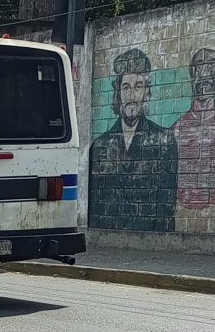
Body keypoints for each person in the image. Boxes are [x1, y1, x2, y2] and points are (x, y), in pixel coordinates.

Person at [89, 48, 178, 232]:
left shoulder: (164, 140)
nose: (131, 96)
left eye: (138, 86)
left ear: (146, 92)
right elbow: (95, 206)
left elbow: (166, 206)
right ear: (118, 93)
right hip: (107, 244)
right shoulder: (99, 146)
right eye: (126, 87)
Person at [172, 48, 215, 208]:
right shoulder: (177, 129)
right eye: (199, 66)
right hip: (183, 211)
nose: (204, 72)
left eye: (211, 65)